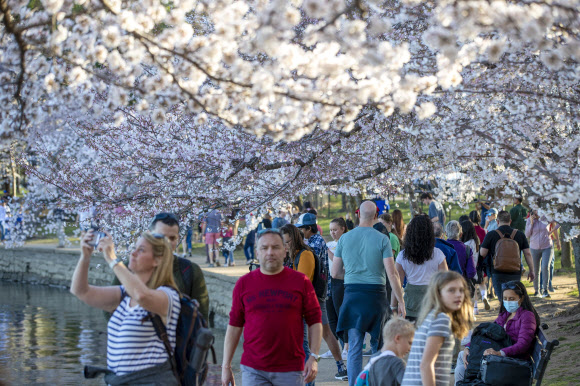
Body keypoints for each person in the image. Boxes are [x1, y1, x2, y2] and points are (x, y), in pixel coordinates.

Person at [72, 230, 181, 384]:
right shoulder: (124, 295)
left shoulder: (168, 296)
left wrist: (112, 259)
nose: (133, 253)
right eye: (134, 248)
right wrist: (85, 257)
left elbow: (141, 295)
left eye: (141, 250)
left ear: (157, 260)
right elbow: (81, 291)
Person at [221, 229, 323, 386]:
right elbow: (234, 326)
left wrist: (314, 357)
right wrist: (226, 365)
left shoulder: (300, 281)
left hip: (290, 369)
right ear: (257, 252)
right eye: (264, 248)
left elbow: (315, 321)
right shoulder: (244, 284)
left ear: (284, 251)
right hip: (253, 369)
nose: (270, 252)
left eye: (275, 247)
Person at [332, 201, 405, 386]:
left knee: (355, 347)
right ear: (375, 216)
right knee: (378, 347)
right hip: (376, 296)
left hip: (352, 296)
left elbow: (335, 273)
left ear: (358, 215)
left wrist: (351, 275)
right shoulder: (382, 239)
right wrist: (401, 301)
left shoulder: (344, 239)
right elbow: (392, 274)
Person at [111, 212, 209, 321]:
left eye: (172, 238)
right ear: (148, 235)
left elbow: (202, 318)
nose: (166, 243)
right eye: (161, 237)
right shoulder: (129, 268)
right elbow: (110, 307)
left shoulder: (190, 270)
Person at [454, 280, 540, 384]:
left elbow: (523, 345)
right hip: (500, 356)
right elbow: (486, 333)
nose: (508, 301)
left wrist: (499, 353)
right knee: (463, 355)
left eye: (511, 299)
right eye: (505, 299)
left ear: (521, 298)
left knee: (460, 369)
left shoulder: (527, 316)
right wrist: (469, 346)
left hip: (512, 361)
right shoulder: (505, 315)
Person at [295, 214, 347, 381]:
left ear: (309, 229)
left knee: (321, 331)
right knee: (324, 331)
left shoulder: (315, 243)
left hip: (315, 294)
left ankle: (325, 366)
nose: (300, 232)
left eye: (301, 229)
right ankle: (339, 365)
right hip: (317, 293)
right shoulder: (312, 242)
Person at [401, 271, 473, 386]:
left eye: (461, 290)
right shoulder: (441, 320)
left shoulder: (433, 316)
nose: (458, 294)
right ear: (438, 294)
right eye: (451, 290)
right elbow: (426, 365)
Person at [394, 215, 448, 321]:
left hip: (411, 303)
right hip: (432, 301)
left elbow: (397, 283)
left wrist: (394, 305)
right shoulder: (438, 254)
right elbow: (445, 281)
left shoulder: (402, 255)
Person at [480, 210, 535, 300]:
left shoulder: (491, 234)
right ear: (510, 221)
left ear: (497, 221)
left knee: (503, 299)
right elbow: (528, 253)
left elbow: (482, 253)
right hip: (515, 271)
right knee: (513, 298)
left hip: (497, 271)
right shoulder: (519, 234)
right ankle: (514, 313)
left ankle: (504, 313)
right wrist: (531, 270)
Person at [355, 317, 415, 386]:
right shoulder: (397, 364)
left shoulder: (373, 359)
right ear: (397, 338)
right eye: (409, 343)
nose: (410, 348)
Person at [323, 218, 349, 361]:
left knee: (341, 314)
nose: (332, 233)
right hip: (328, 281)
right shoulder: (329, 244)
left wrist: (327, 252)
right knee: (331, 316)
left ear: (343, 229)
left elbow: (340, 263)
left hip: (341, 280)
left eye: (335, 229)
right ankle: (336, 346)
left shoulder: (347, 243)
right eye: (331, 230)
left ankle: (347, 346)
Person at [525, 210, 559, 298]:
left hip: (547, 246)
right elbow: (527, 234)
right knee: (535, 269)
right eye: (534, 209)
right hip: (534, 247)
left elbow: (560, 221)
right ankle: (537, 291)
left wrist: (553, 231)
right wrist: (531, 223)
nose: (536, 211)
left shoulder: (546, 217)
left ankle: (545, 290)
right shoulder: (529, 220)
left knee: (545, 267)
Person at [460, 220, 489, 313]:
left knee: (471, 290)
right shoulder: (475, 239)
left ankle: (474, 308)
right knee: (477, 286)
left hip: (469, 267)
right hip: (477, 266)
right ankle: (481, 299)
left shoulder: (466, 244)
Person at [445, 221, 476, 292]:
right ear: (461, 234)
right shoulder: (467, 249)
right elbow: (471, 272)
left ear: (446, 233)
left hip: (445, 286)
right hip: (461, 285)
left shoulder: (441, 248)